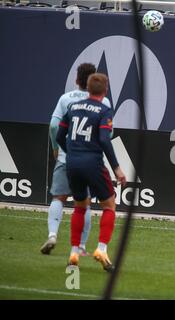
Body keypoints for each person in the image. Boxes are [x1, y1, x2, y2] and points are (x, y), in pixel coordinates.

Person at [56, 73, 126, 272]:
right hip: (93, 163)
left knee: (80, 206)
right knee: (109, 205)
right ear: (105, 90)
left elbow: (60, 135)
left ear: (87, 88)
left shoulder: (72, 107)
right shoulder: (104, 110)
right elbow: (104, 139)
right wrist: (117, 168)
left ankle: (74, 252)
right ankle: (102, 249)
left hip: (73, 163)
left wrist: (73, 153)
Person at [40, 63, 111, 256]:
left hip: (67, 159)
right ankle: (80, 247)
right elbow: (107, 135)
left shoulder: (66, 99)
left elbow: (54, 127)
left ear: (77, 79)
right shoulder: (103, 103)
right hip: (89, 160)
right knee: (84, 203)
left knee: (58, 198)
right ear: (92, 80)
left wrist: (58, 149)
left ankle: (53, 234)